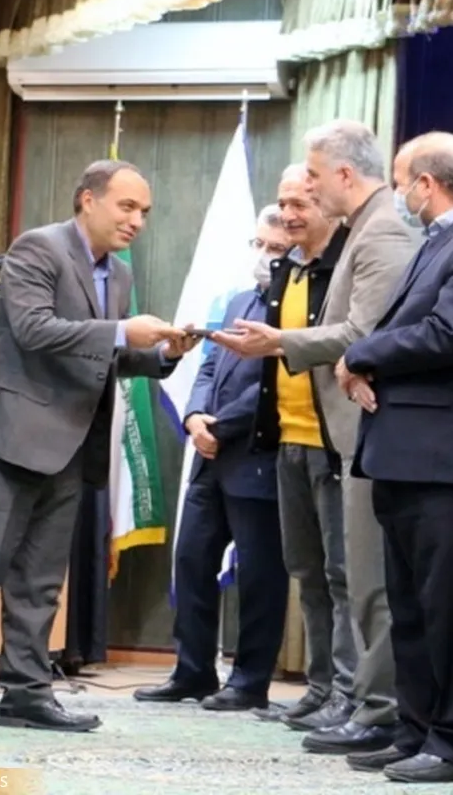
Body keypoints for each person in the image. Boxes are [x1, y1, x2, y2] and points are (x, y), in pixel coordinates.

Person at [0, 160, 197, 731]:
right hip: (2, 442)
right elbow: (35, 330)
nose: (137, 221)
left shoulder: (117, 275)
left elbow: (101, 356)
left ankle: (26, 695)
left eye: (145, 212)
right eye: (127, 206)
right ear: (87, 200)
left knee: (40, 583)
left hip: (70, 449)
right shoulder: (38, 249)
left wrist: (161, 355)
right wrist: (123, 331)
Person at [213, 121, 417, 755]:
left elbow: (367, 332)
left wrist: (280, 342)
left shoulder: (380, 231)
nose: (297, 202)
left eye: (311, 181)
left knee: (360, 578)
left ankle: (371, 705)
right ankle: (339, 693)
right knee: (318, 571)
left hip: (351, 433)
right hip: (300, 437)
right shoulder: (350, 236)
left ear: (343, 176)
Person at [334, 131, 453, 784]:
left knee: (452, 611)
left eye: (400, 181)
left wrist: (359, 356)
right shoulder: (443, 238)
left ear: (426, 184)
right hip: (409, 454)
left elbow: (450, 333)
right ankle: (414, 729)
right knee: (413, 607)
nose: (397, 195)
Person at [133, 206, 291, 711]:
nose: (263, 256)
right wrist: (195, 417)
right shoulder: (239, 300)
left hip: (256, 456)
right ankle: (193, 671)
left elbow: (275, 384)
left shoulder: (295, 308)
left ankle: (249, 681)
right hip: (209, 456)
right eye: (259, 244)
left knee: (260, 575)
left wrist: (220, 427)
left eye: (275, 248)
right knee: (192, 560)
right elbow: (206, 367)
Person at [248, 165, 354, 730]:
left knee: (343, 575)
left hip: (333, 444)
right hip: (287, 440)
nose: (288, 215)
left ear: (328, 206)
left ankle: (351, 694)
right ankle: (320, 688)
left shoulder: (346, 266)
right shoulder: (285, 268)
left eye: (300, 205)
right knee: (306, 572)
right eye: (283, 203)